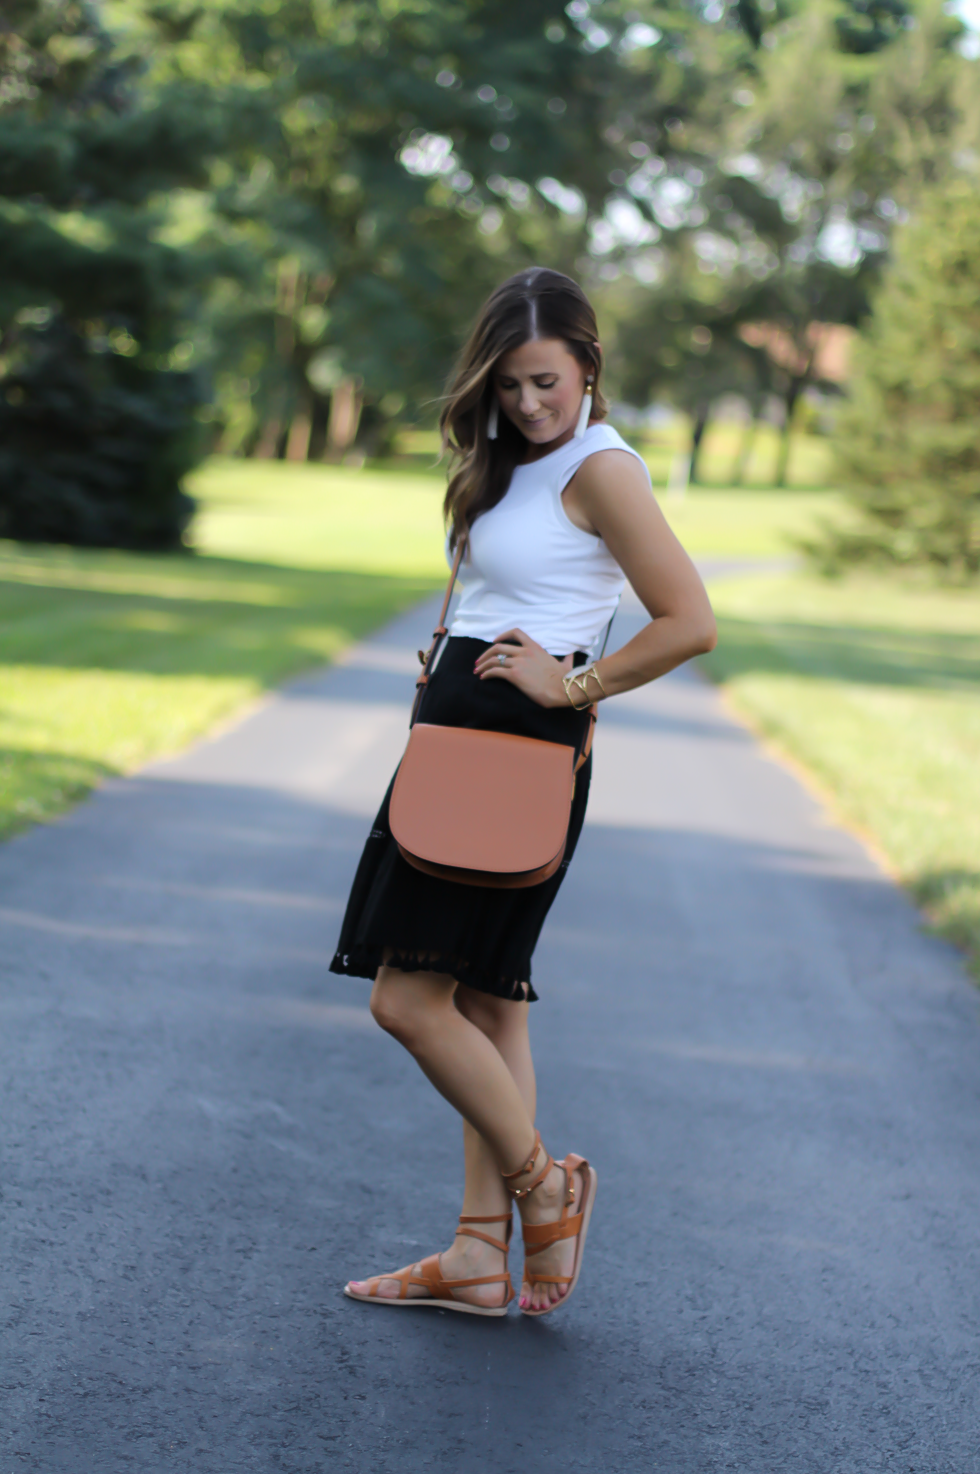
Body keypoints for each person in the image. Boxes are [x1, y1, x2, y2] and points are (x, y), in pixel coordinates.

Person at [331, 267, 716, 1317]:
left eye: (545, 380)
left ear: (588, 366)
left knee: (407, 1000)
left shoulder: (603, 467)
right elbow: (509, 583)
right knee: (487, 1001)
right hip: (459, 742)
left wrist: (575, 680)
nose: (528, 403)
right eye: (507, 386)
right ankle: (472, 1253)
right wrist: (451, 644)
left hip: (515, 756)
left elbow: (687, 620)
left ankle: (544, 1189)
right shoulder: (512, 460)